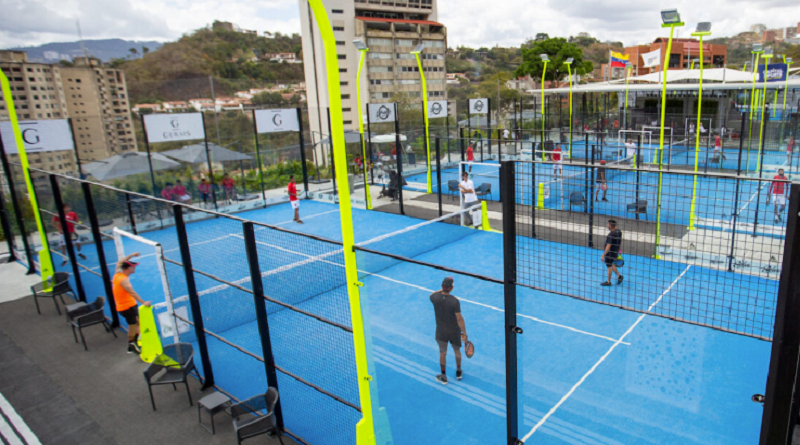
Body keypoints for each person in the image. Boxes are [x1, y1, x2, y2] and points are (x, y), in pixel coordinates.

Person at [430, 277, 467, 385]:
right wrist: (464, 333)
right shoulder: (455, 301)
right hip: (454, 331)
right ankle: (458, 372)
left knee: (442, 353)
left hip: (441, 332)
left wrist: (442, 290)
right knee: (457, 350)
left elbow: (432, 294)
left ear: (442, 287)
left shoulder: (434, 297)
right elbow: (459, 318)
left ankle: (443, 376)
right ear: (451, 288)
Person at [112, 252, 151, 354]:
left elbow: (120, 262)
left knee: (137, 323)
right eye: (132, 267)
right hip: (128, 307)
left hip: (123, 307)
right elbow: (132, 293)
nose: (134, 268)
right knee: (133, 325)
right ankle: (132, 345)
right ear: (127, 269)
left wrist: (132, 255)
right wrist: (144, 302)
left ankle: (135, 342)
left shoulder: (117, 274)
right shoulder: (124, 281)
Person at [600, 220, 623, 286]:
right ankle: (619, 276)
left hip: (610, 253)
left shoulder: (610, 235)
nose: (607, 226)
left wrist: (603, 255)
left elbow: (608, 247)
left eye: (608, 224)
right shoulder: (619, 231)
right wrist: (619, 250)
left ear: (610, 225)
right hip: (615, 252)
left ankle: (608, 282)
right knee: (612, 264)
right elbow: (620, 241)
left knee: (609, 267)